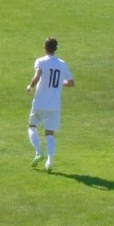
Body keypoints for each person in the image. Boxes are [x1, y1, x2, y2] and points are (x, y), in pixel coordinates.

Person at [27, 36, 75, 173]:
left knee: (32, 126)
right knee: (50, 133)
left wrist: (30, 87)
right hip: (54, 105)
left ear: (45, 48)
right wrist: (61, 83)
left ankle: (38, 152)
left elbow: (37, 76)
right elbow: (71, 83)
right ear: (56, 49)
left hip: (40, 102)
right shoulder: (62, 64)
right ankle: (50, 162)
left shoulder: (41, 61)